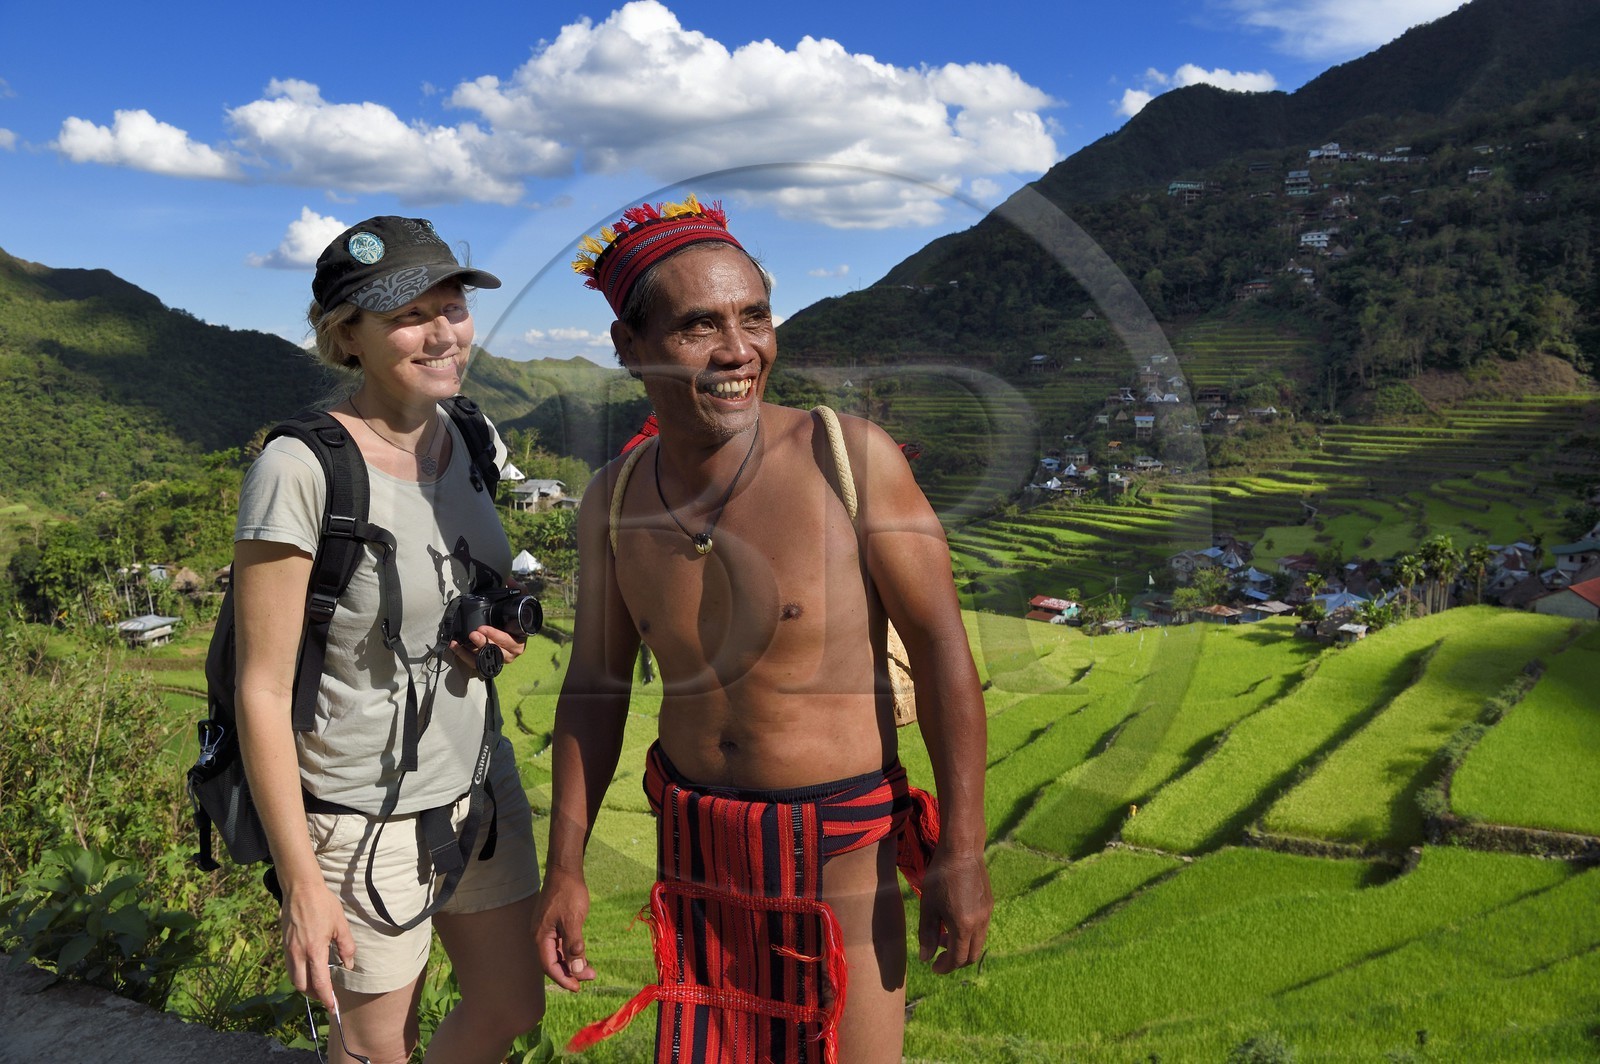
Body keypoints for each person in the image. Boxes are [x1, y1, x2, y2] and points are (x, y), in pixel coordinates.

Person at [532, 196, 992, 1063]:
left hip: (840, 853)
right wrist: (567, 868)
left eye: (755, 317)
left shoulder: (849, 461)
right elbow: (595, 687)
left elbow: (941, 655)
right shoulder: (615, 501)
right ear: (631, 348)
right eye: (699, 326)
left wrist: (961, 852)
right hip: (698, 851)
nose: (740, 350)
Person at [233, 216, 544, 1063]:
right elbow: (258, 689)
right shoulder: (301, 469)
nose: (443, 332)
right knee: (376, 1047)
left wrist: (480, 623)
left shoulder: (470, 435)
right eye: (411, 315)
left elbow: (448, 583)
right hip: (359, 817)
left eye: (454, 306)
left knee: (513, 1006)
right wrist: (302, 883)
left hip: (478, 785)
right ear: (348, 336)